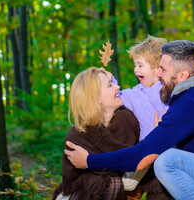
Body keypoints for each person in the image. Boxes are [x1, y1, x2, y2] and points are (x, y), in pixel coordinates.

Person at [65, 40, 194, 200]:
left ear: (182, 75)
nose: (158, 74)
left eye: (163, 70)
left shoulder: (191, 104)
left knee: (168, 160)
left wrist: (88, 161)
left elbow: (141, 157)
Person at [52, 67, 168, 200]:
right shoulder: (78, 136)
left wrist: (157, 133)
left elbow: (134, 158)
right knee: (111, 184)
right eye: (110, 85)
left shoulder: (127, 119)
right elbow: (78, 180)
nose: (117, 86)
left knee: (160, 171)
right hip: (80, 193)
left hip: (125, 184)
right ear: (95, 98)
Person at [115, 35, 194, 140]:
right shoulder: (135, 94)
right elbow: (115, 93)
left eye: (140, 65)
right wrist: (106, 77)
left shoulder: (171, 85)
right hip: (149, 147)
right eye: (135, 65)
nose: (136, 70)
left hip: (175, 141)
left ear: (157, 67)